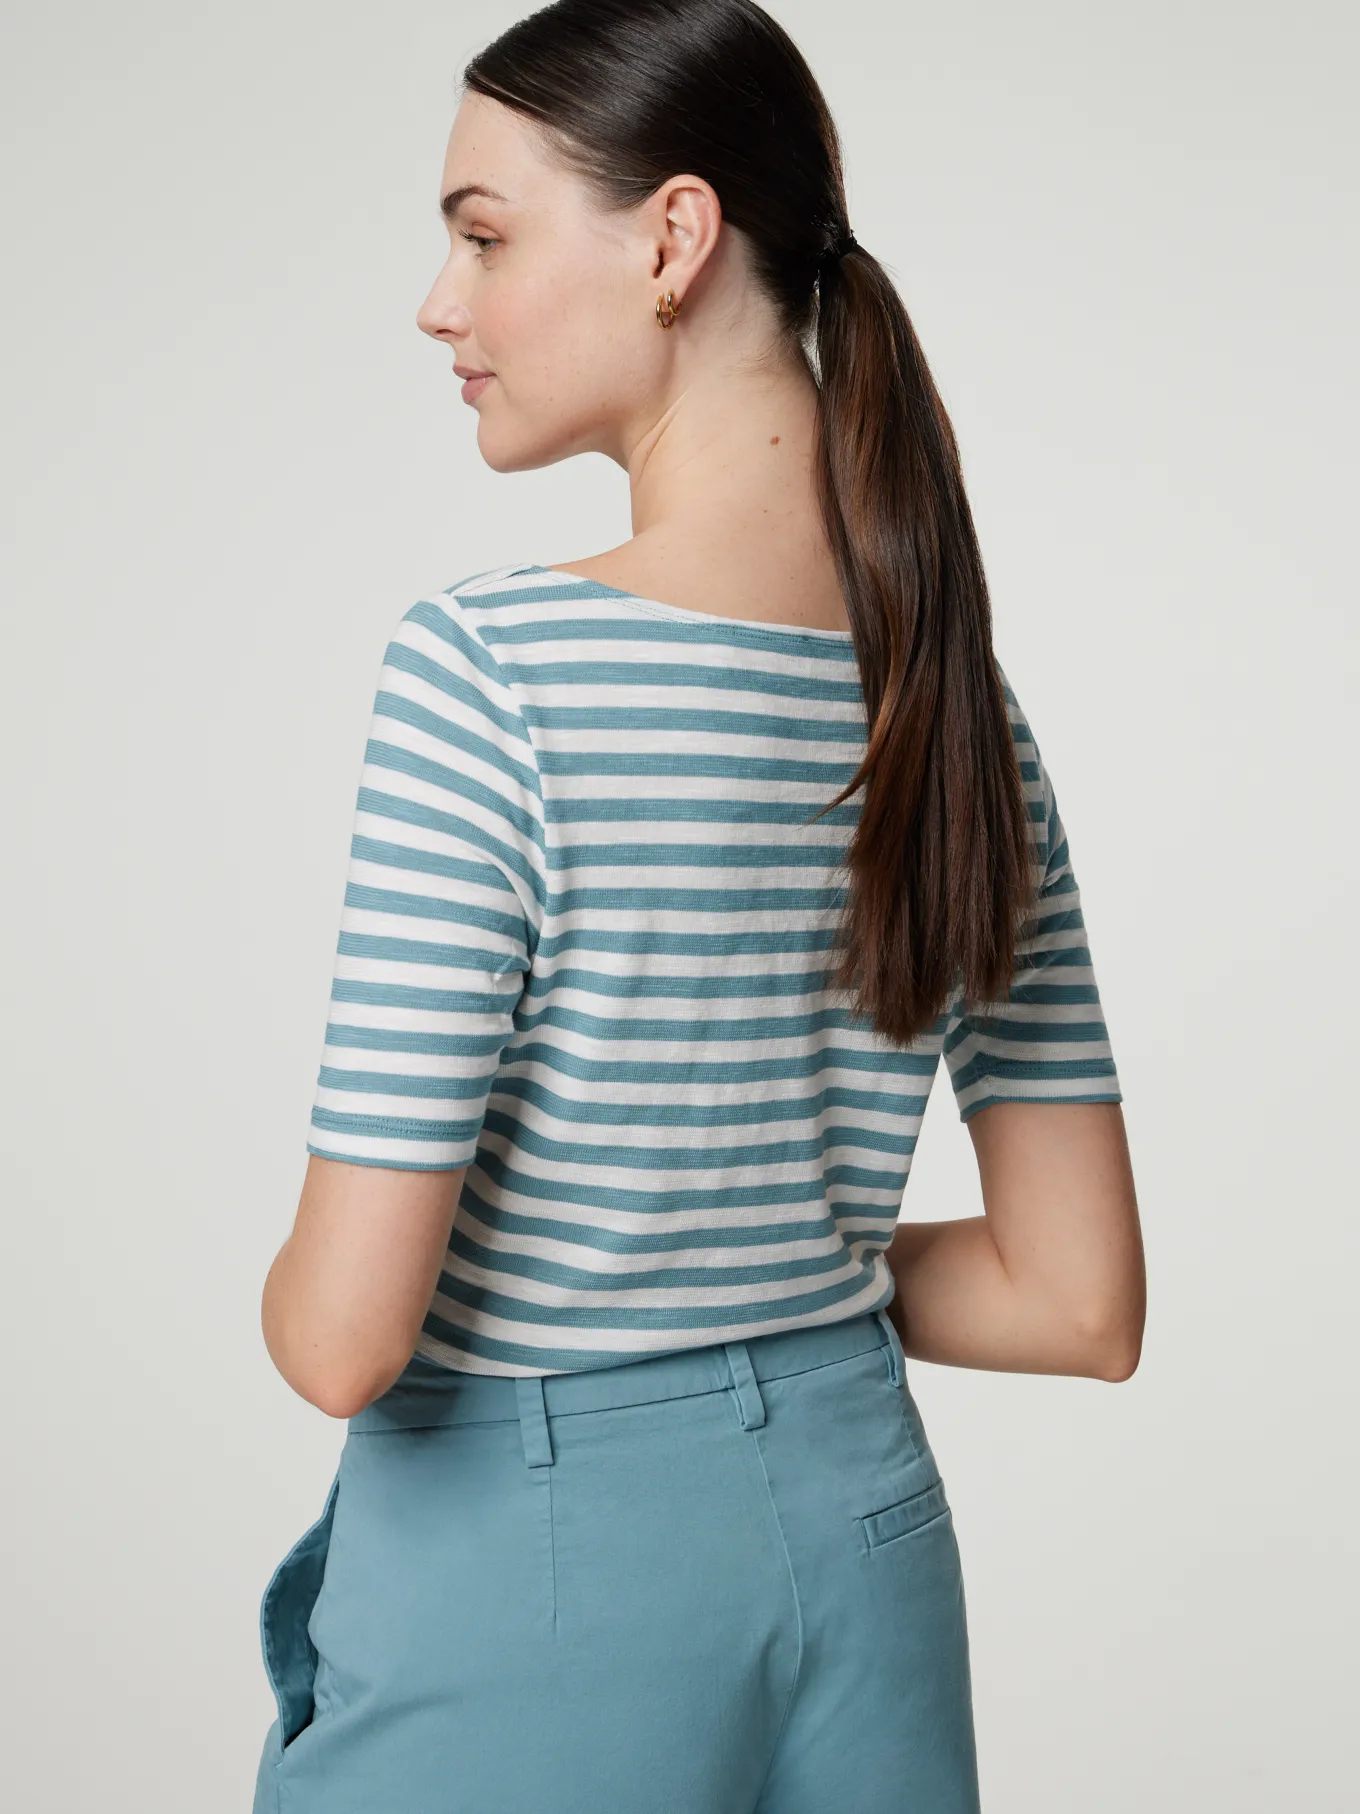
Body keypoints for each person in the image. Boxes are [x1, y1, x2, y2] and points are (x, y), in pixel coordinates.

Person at [251, 3, 1146, 1810]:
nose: (439, 302)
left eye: (484, 234)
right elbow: (1075, 1299)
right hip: (863, 1537)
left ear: (673, 238)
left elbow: (343, 1334)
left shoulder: (489, 675)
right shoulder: (957, 708)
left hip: (535, 1571)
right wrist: (775, 1276)